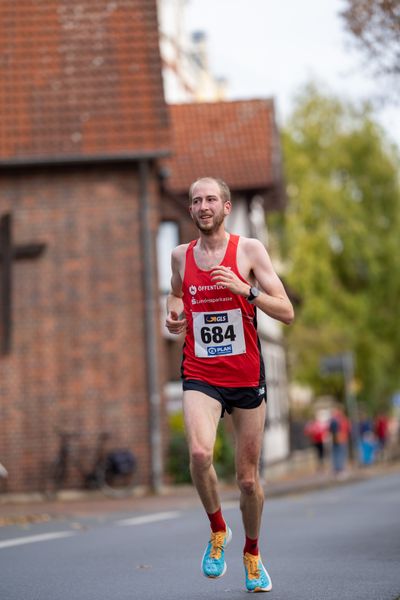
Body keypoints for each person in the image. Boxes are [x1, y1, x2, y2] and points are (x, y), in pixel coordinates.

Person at [165, 177, 294, 593]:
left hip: (245, 377)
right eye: (196, 201)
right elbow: (174, 296)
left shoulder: (250, 250)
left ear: (225, 206)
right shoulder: (180, 257)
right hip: (201, 373)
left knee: (247, 480)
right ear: (191, 211)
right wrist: (173, 317)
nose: (203, 206)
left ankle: (253, 554)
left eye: (211, 200)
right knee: (201, 452)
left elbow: (287, 311)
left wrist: (247, 291)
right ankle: (218, 530)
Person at [328, 406, 351, 477]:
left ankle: (337, 469)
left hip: (337, 439)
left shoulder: (333, 420)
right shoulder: (340, 420)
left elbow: (330, 430)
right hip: (341, 439)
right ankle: (340, 470)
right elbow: (347, 428)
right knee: (340, 454)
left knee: (337, 454)